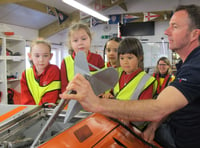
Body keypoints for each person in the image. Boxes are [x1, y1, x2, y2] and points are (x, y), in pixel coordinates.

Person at [60, 4, 200, 148]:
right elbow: (170, 106)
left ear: (194, 34)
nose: (166, 31)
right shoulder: (187, 65)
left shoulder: (196, 65)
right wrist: (153, 127)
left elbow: (158, 108)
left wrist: (96, 103)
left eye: (175, 27)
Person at [60, 23, 105, 93]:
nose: (80, 43)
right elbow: (64, 87)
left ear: (90, 39)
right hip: (75, 99)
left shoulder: (98, 58)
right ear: (70, 43)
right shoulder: (65, 62)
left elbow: (103, 81)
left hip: (94, 99)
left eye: (84, 39)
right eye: (75, 40)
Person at [20, 38, 61, 105]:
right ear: (30, 56)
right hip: (34, 111)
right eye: (37, 56)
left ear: (50, 56)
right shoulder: (26, 74)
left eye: (45, 55)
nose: (41, 59)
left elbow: (50, 99)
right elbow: (26, 98)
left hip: (51, 111)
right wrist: (31, 112)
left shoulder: (54, 70)